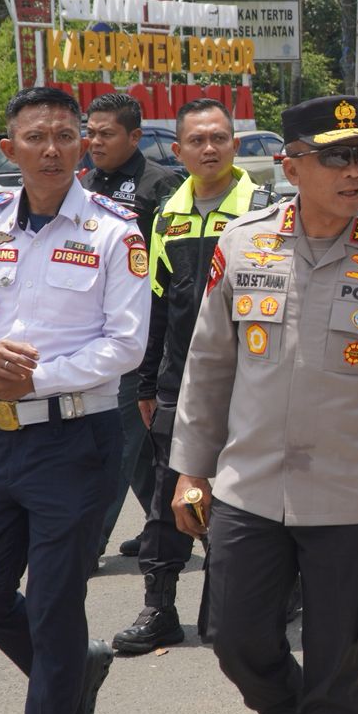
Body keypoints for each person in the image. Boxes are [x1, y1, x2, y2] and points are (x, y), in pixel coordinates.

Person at [169, 95, 358, 714]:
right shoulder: (241, 245)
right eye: (335, 158)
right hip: (250, 490)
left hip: (354, 504)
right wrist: (191, 468)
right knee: (235, 640)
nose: (354, 172)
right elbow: (210, 364)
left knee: (339, 669)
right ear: (290, 166)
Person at [0, 86, 150, 714]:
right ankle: (70, 673)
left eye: (65, 134)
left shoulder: (114, 230)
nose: (52, 148)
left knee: (57, 606)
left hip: (76, 439)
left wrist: (37, 377)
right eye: (36, 137)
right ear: (11, 150)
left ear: (84, 145)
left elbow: (127, 345)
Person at [110, 98, 257, 655]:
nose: (209, 148)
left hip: (251, 376)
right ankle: (160, 608)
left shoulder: (262, 209)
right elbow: (156, 304)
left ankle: (234, 603)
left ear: (235, 145)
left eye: (219, 138)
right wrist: (147, 383)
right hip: (180, 381)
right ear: (178, 151)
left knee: (245, 494)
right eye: (197, 141)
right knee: (168, 497)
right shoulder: (168, 213)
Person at [80, 92, 180, 562]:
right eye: (91, 132)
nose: (94, 141)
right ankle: (184, 526)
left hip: (138, 334)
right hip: (90, 329)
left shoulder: (160, 185)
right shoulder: (83, 183)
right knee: (139, 450)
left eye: (106, 133)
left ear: (134, 136)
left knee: (117, 442)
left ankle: (86, 544)